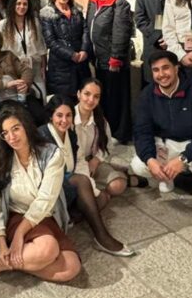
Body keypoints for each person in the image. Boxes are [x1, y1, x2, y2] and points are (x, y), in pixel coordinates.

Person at [0, 106, 81, 286]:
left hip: (45, 215)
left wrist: (20, 235)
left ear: (26, 126)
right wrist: (2, 242)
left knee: (71, 268)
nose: (11, 137)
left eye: (16, 128)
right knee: (48, 249)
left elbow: (46, 200)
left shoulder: (51, 154)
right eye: (5, 133)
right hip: (17, 216)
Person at [130, 51, 192, 202]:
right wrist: (150, 160)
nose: (161, 74)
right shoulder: (147, 95)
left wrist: (183, 158)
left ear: (176, 68)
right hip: (166, 145)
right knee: (138, 165)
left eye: (166, 68)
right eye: (156, 70)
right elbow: (142, 132)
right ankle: (166, 176)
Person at [42, 96, 133, 256]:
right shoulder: (42, 136)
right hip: (51, 190)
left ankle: (71, 217)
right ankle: (102, 237)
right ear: (51, 116)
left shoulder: (70, 135)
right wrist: (84, 183)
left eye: (68, 115)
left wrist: (90, 187)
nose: (64, 120)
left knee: (102, 198)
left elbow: (79, 161)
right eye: (59, 115)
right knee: (81, 181)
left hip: (68, 185)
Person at [85, 0, 133, 142]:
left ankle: (118, 133)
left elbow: (121, 32)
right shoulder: (93, 1)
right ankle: (105, 130)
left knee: (115, 99)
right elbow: (88, 27)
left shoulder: (120, 3)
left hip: (113, 61)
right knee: (103, 98)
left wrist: (115, 58)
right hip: (98, 60)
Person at [74, 78, 145, 197]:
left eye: (96, 96)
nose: (91, 100)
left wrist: (96, 160)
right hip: (73, 166)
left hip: (92, 163)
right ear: (78, 94)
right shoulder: (67, 117)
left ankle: (122, 179)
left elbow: (107, 147)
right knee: (79, 192)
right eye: (87, 94)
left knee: (117, 185)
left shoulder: (101, 121)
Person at [0, 28, 45, 124]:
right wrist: (4, 84)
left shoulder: (8, 55)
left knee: (40, 114)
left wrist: (24, 83)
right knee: (24, 117)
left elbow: (26, 70)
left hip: (21, 93)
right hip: (2, 99)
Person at [39, 0, 90, 98]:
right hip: (60, 67)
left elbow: (85, 31)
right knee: (63, 101)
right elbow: (50, 41)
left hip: (81, 62)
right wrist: (71, 54)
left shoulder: (77, 11)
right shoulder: (47, 14)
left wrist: (84, 50)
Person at [0, 0, 47, 97]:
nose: (22, 6)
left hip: (33, 67)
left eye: (25, 4)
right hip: (12, 69)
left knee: (41, 96)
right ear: (13, 5)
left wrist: (43, 67)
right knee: (17, 99)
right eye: (18, 3)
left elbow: (41, 47)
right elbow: (0, 52)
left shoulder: (34, 22)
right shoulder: (2, 25)